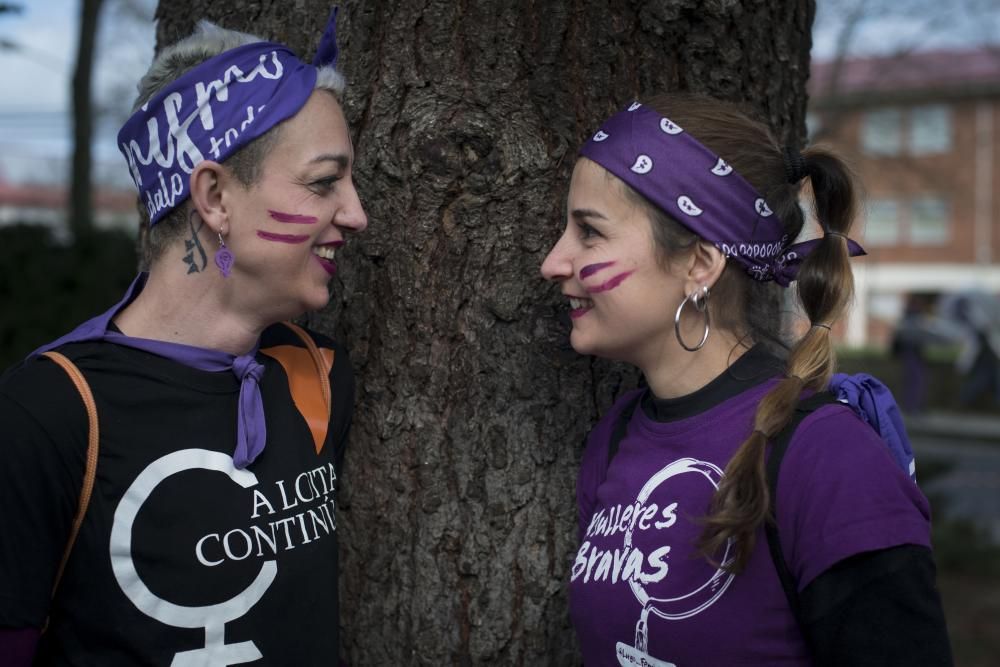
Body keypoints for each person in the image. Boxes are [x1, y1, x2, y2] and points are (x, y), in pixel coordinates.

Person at [0, 11, 366, 665]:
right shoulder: (49, 411)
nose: (356, 213)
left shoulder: (316, 372)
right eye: (322, 182)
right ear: (216, 196)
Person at [541, 95, 952, 665]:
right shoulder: (615, 439)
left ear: (700, 264)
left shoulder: (830, 457)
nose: (553, 262)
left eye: (589, 232)